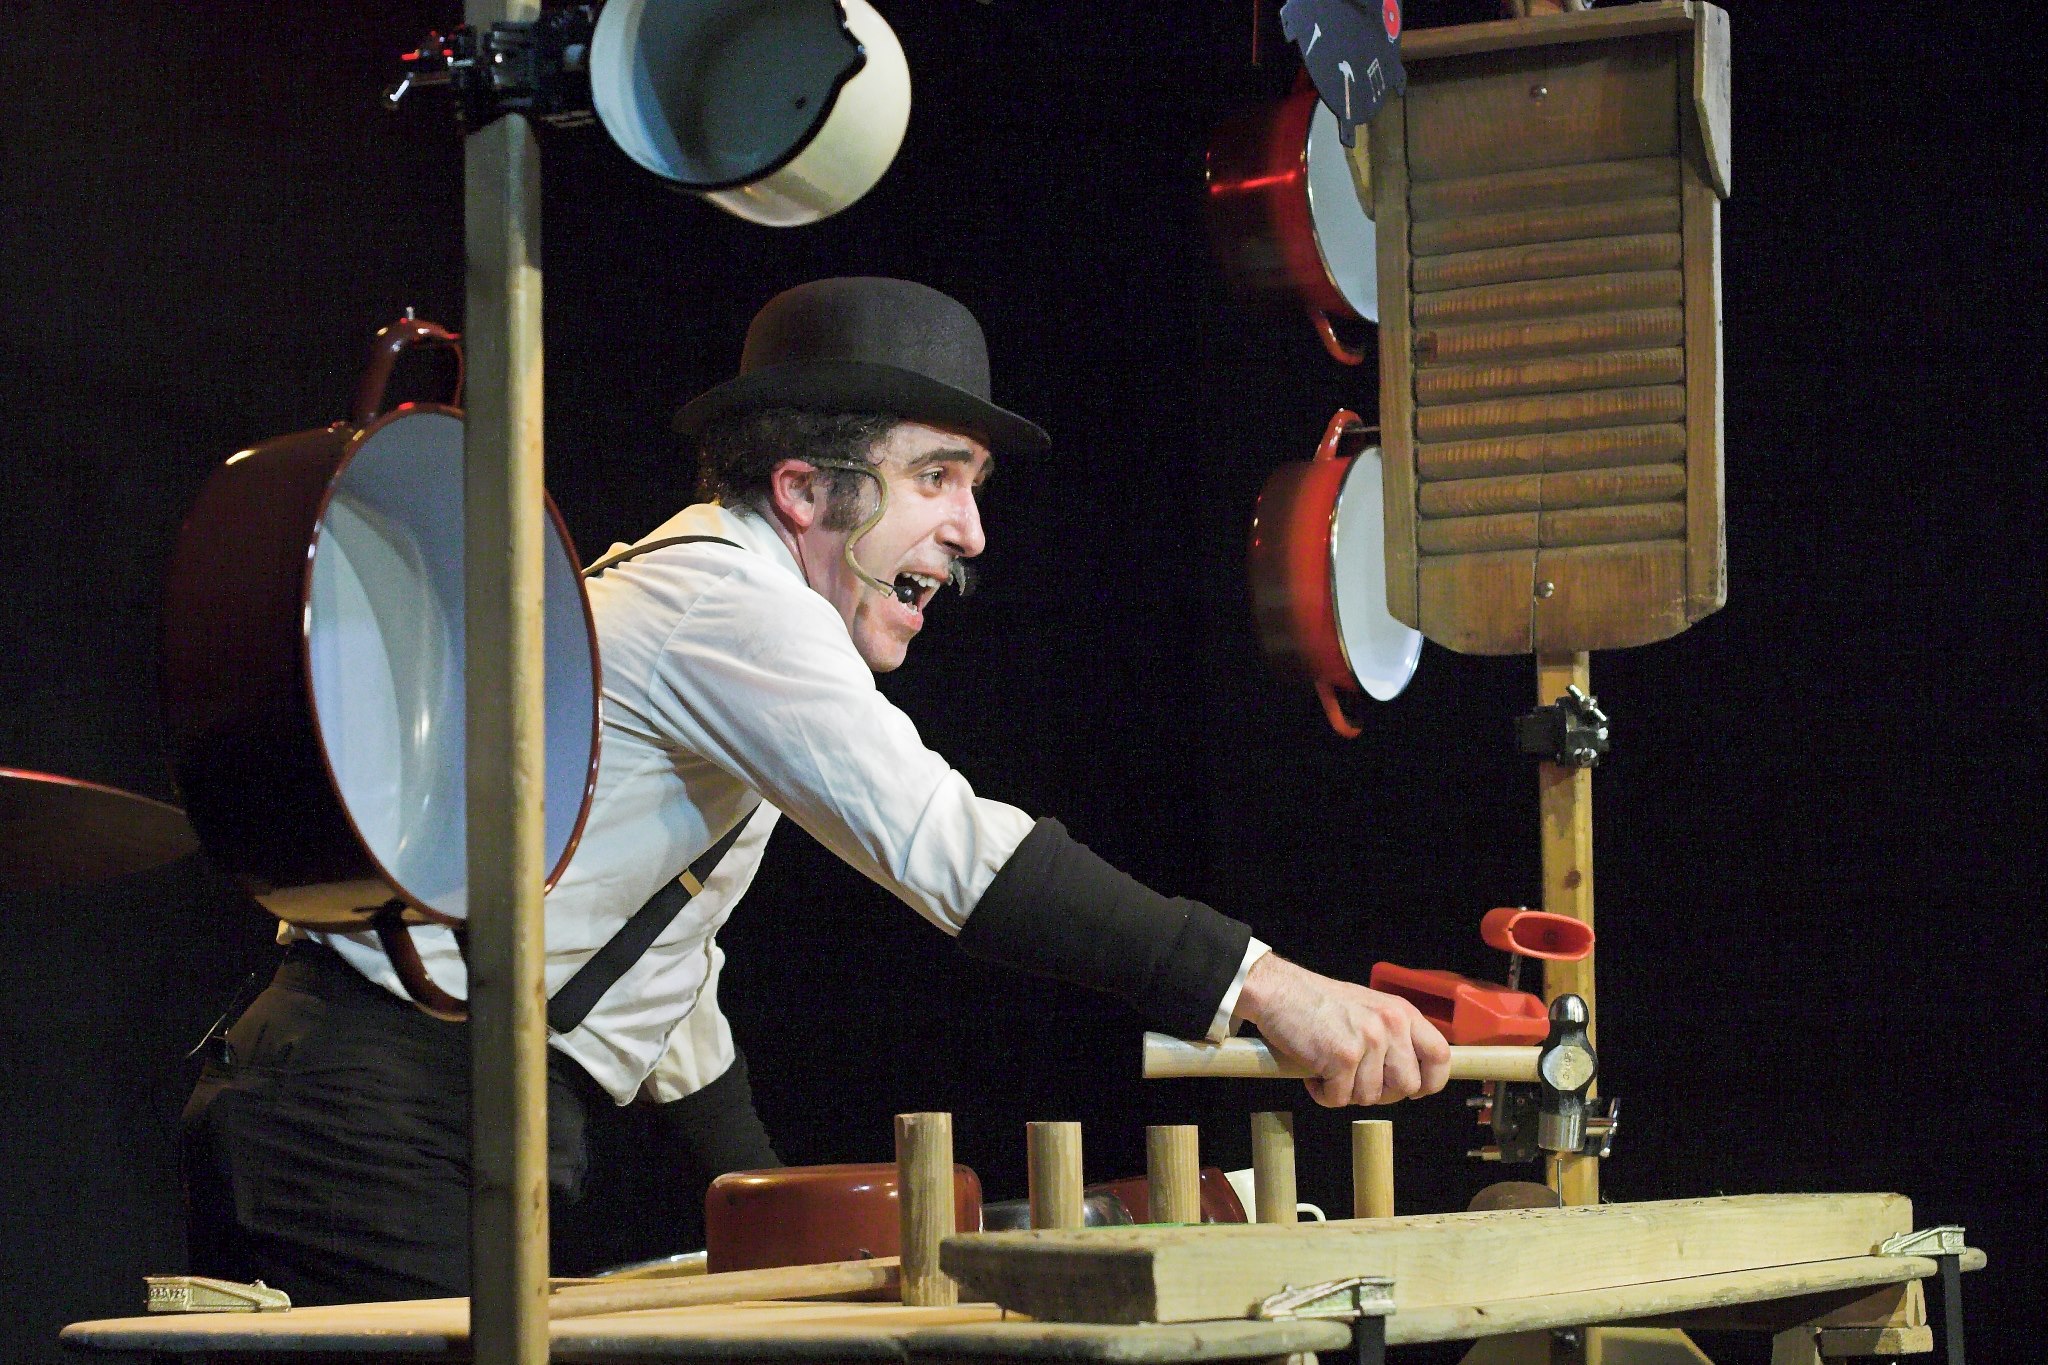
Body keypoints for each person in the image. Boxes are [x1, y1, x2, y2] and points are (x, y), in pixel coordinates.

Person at [182, 277, 1449, 1306]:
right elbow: (950, 848)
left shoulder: (720, 616)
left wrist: (765, 1201)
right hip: (369, 1109)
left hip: (417, 1109)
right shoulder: (728, 604)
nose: (971, 532)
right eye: (935, 477)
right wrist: (1266, 988)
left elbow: (659, 977)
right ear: (801, 490)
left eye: (973, 488)